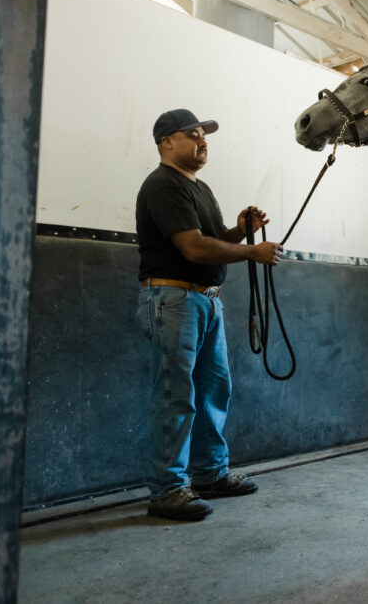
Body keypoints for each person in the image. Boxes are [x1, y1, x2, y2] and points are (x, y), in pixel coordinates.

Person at [136, 108, 283, 521]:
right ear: (167, 142)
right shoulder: (163, 185)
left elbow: (212, 240)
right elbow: (194, 248)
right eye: (193, 135)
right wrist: (252, 251)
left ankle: (209, 474)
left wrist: (239, 231)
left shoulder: (198, 188)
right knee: (176, 395)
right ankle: (167, 489)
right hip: (173, 299)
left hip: (203, 300)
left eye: (205, 136)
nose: (203, 142)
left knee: (213, 389)